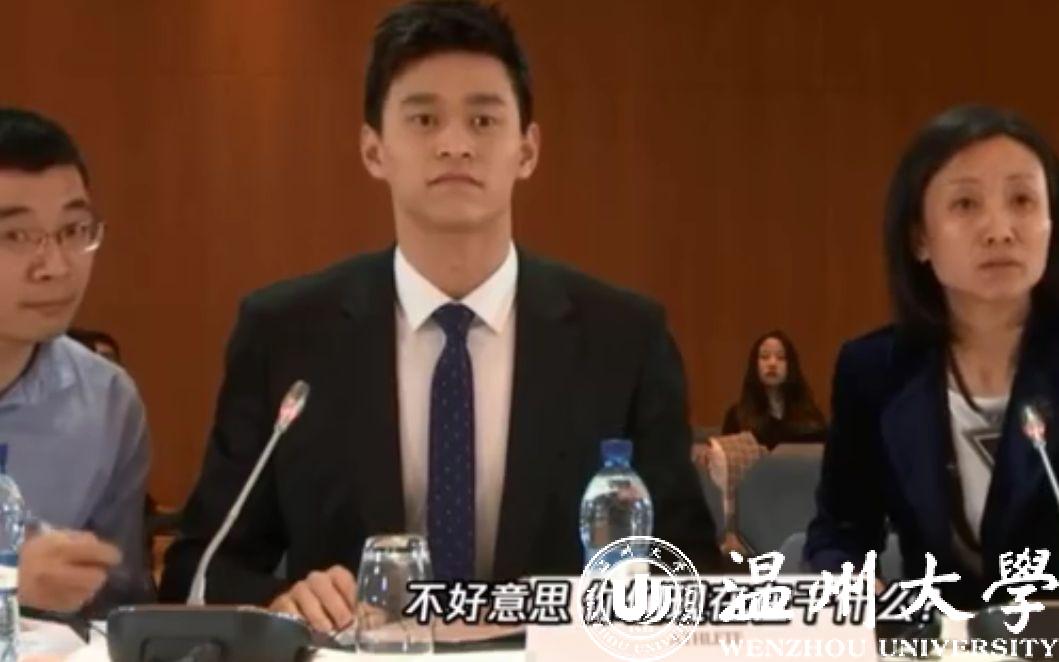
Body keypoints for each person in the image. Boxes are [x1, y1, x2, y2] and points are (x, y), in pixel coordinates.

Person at [159, 0, 720, 631]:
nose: (455, 145)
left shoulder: (624, 340)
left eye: (483, 119)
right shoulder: (286, 333)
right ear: (373, 149)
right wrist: (283, 602)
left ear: (527, 150)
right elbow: (199, 569)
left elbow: (690, 569)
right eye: (424, 119)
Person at [805, 105, 1059, 609]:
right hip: (932, 638)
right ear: (920, 237)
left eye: (1022, 200)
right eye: (966, 204)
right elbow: (840, 531)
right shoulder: (873, 371)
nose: (1000, 229)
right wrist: (852, 583)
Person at [0, 107, 152, 614]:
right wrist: (9, 580)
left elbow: (118, 609)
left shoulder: (107, 402)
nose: (56, 267)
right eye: (15, 236)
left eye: (72, 230)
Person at [720, 330, 827, 449]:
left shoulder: (811, 417)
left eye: (780, 357)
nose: (772, 363)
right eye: (764, 357)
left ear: (791, 366)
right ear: (754, 366)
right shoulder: (737, 417)